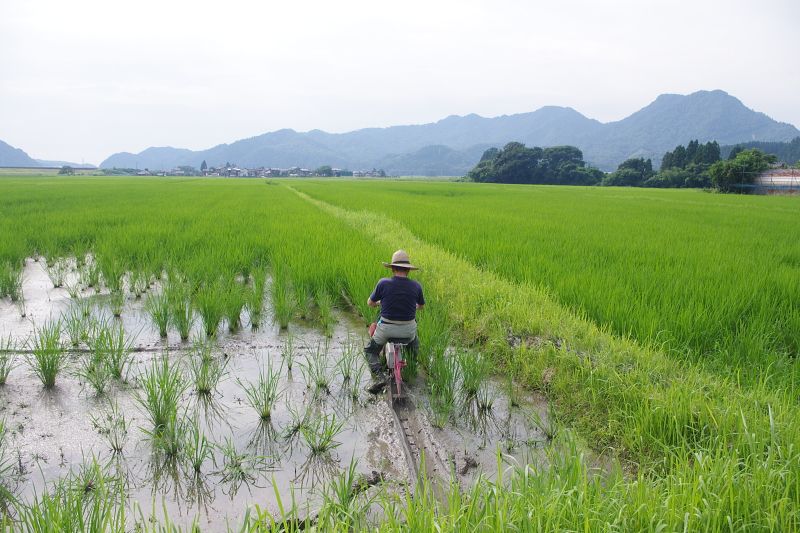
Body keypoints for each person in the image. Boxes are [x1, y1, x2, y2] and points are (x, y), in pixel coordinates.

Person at [364, 250, 425, 393]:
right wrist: (413, 305)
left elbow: (370, 303)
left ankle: (380, 377)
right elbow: (421, 306)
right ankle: (412, 369)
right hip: (408, 330)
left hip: (386, 329)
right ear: (408, 271)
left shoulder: (383, 283)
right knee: (414, 344)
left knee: (370, 350)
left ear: (392, 269)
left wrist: (377, 303)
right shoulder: (416, 286)